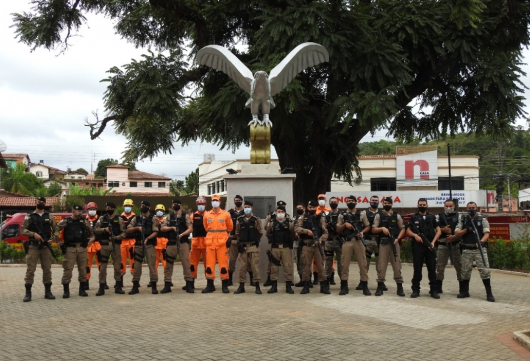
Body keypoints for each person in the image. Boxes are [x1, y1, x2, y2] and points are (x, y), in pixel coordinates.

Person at [455, 202, 495, 302]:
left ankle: (489, 293)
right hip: (466, 249)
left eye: (473, 208)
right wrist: (466, 230)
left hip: (479, 249)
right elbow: (457, 233)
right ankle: (465, 291)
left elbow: (486, 234)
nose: (471, 209)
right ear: (466, 208)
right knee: (465, 271)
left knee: (484, 270)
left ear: (477, 208)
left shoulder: (483, 220)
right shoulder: (462, 219)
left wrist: (481, 242)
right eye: (469, 208)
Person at [21, 196, 58, 302]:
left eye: (42, 201)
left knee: (47, 269)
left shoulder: (49, 216)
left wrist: (52, 239)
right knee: (30, 270)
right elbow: (23, 229)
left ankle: (48, 292)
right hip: (33, 246)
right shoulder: (30, 216)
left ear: (45, 203)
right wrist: (33, 234)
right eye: (38, 201)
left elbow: (56, 230)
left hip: (46, 246)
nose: (40, 203)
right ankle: (28, 293)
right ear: (35, 202)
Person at [56, 205, 95, 298]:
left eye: (81, 211)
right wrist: (58, 241)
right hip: (70, 248)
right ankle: (66, 291)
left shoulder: (84, 221)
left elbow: (92, 232)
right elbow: (56, 229)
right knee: (68, 269)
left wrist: (93, 238)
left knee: (83, 269)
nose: (80, 213)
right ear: (73, 211)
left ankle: (82, 290)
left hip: (82, 248)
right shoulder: (66, 221)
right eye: (78, 211)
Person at [406, 198, 442, 299]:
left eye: (424, 204)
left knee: (432, 269)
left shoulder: (432, 217)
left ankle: (434, 290)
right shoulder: (413, 218)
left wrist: (433, 242)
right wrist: (415, 236)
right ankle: (415, 290)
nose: (422, 206)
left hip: (430, 245)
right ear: (417, 205)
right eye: (420, 204)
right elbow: (407, 231)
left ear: (427, 205)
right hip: (418, 246)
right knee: (417, 269)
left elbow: (439, 231)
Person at [336, 195, 370, 296]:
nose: (350, 202)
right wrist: (344, 225)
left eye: (352, 200)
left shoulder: (361, 214)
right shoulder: (342, 215)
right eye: (348, 201)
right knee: (344, 264)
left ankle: (364, 286)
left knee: (363, 264)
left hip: (359, 241)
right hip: (347, 241)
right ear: (346, 203)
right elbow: (337, 229)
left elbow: (368, 226)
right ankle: (344, 286)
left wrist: (363, 232)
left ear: (356, 202)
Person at [371, 197, 406, 296]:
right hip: (384, 243)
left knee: (397, 265)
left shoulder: (397, 216)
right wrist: (382, 228)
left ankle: (400, 287)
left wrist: (398, 239)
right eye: (385, 203)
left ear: (391, 204)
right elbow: (373, 229)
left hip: (394, 243)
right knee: (382, 265)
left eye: (388, 203)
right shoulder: (379, 215)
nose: (386, 204)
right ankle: (380, 286)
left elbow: (403, 229)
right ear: (383, 204)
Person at [294, 200, 329, 294]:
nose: (312, 209)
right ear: (307, 208)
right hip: (306, 245)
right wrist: (306, 231)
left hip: (317, 245)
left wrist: (321, 240)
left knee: (321, 266)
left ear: (316, 208)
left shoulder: (320, 218)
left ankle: (324, 286)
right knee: (305, 266)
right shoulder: (302, 218)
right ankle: (306, 286)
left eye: (313, 207)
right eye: (310, 207)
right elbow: (296, 228)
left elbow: (325, 232)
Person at [159, 199, 193, 293]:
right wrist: (172, 228)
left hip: (183, 243)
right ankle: (167, 284)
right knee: (168, 265)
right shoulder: (169, 217)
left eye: (177, 204)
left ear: (181, 206)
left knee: (186, 264)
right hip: (171, 243)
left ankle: (189, 284)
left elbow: (190, 229)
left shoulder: (185, 216)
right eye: (174, 204)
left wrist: (182, 234)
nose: (175, 205)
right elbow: (162, 228)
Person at [126, 201, 159, 295]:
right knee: (136, 266)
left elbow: (156, 231)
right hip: (138, 245)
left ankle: (154, 286)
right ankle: (135, 286)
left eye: (144, 206)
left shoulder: (153, 218)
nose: (142, 207)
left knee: (152, 265)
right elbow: (128, 229)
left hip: (149, 245)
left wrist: (148, 238)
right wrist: (137, 228)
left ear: (148, 207)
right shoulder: (136, 218)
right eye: (141, 206)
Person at [202, 194, 233, 293]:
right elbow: (206, 227)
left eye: (216, 200)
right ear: (211, 202)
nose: (215, 202)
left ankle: (225, 286)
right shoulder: (207, 215)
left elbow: (230, 227)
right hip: (210, 243)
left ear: (219, 202)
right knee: (209, 265)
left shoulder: (226, 214)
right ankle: (210, 285)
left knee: (223, 265)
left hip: (222, 243)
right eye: (213, 200)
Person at [93, 202, 126, 295]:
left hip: (115, 245)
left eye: (111, 208)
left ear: (114, 209)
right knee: (102, 267)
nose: (109, 209)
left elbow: (124, 233)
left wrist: (116, 237)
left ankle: (118, 286)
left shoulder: (119, 219)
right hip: (104, 245)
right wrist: (104, 229)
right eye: (107, 207)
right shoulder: (102, 218)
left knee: (117, 267)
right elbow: (95, 230)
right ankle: (101, 287)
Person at [234, 200, 264, 294]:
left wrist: (255, 240)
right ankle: (241, 286)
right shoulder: (239, 219)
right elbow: (237, 232)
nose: (247, 208)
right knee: (242, 267)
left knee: (254, 267)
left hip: (253, 247)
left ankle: (257, 286)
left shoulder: (256, 219)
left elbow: (260, 232)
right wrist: (240, 242)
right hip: (243, 247)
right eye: (245, 207)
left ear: (252, 208)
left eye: (249, 207)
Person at [436, 199, 463, 294]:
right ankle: (438, 288)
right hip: (443, 245)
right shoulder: (438, 216)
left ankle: (462, 288)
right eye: (446, 206)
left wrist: (454, 236)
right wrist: (443, 229)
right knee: (439, 267)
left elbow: (461, 228)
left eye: (450, 206)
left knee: (459, 266)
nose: (448, 208)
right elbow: (433, 228)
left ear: (454, 206)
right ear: (444, 206)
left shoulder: (459, 216)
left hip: (455, 244)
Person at [266, 205, 295, 294]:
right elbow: (268, 233)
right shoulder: (272, 223)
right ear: (276, 212)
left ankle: (288, 286)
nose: (280, 213)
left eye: (282, 212)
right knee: (274, 267)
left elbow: (292, 234)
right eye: (278, 212)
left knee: (288, 266)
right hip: (275, 248)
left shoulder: (289, 223)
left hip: (286, 248)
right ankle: (274, 286)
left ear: (285, 213)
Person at [263, 200, 290, 287]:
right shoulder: (271, 216)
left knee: (287, 264)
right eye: (279, 208)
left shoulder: (288, 217)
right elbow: (266, 229)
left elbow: (292, 232)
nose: (280, 211)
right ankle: (269, 279)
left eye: (283, 208)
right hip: (273, 242)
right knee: (272, 262)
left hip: (284, 243)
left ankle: (288, 283)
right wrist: (271, 239)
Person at [360, 195, 385, 291]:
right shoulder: (364, 213)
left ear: (379, 202)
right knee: (365, 262)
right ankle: (363, 282)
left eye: (376, 200)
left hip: (379, 240)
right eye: (373, 200)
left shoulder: (382, 213)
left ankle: (381, 282)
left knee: (380, 263)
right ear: (369, 201)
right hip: (367, 239)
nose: (374, 202)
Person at [189, 196, 208, 290]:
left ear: (205, 205)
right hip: (195, 243)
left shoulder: (208, 215)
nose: (201, 206)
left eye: (203, 204)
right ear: (197, 205)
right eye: (199, 204)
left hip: (206, 243)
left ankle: (209, 283)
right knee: (192, 264)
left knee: (208, 264)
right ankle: (191, 282)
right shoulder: (192, 216)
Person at [227, 195, 245, 286]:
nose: (237, 201)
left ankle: (251, 279)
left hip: (243, 239)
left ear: (242, 201)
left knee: (246, 260)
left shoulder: (245, 212)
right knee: (232, 260)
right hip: (233, 239)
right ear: (234, 201)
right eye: (236, 200)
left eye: (239, 200)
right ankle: (229, 279)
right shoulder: (230, 213)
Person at [85, 202, 102, 291]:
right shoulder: (84, 220)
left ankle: (103, 282)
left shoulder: (100, 219)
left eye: (93, 209)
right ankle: (86, 281)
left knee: (101, 264)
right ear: (87, 210)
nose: (92, 211)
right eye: (90, 209)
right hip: (88, 245)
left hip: (98, 244)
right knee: (87, 264)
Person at [120, 199, 136, 283]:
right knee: (121, 261)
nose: (127, 208)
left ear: (132, 207)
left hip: (132, 241)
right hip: (122, 242)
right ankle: (120, 281)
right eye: (126, 206)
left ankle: (135, 281)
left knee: (133, 261)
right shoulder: (119, 217)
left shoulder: (135, 217)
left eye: (129, 206)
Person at [153, 204, 168, 287]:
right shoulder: (153, 220)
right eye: (158, 210)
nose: (159, 212)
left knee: (165, 262)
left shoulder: (166, 220)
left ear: (163, 212)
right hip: (155, 243)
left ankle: (167, 279)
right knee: (154, 263)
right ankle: (153, 279)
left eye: (161, 210)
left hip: (164, 244)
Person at [293, 203, 308, 288]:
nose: (299, 209)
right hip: (297, 242)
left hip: (305, 242)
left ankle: (307, 280)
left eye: (300, 208)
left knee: (306, 261)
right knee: (298, 261)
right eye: (297, 208)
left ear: (304, 208)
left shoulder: (307, 218)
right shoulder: (294, 218)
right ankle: (301, 279)